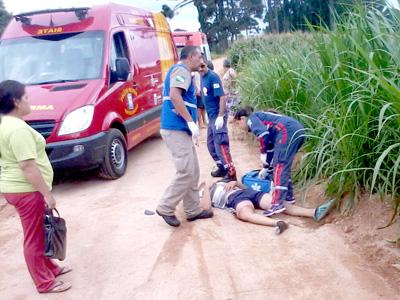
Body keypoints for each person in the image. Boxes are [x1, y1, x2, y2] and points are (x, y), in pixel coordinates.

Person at [0, 80, 72, 293]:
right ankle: (44, 282)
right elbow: (27, 165)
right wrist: (46, 193)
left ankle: (50, 267)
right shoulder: (17, 129)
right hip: (25, 190)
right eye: (26, 97)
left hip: (16, 188)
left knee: (39, 230)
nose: (30, 101)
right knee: (34, 236)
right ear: (16, 102)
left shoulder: (4, 124)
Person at [157, 46, 214, 227]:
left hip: (181, 130)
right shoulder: (181, 70)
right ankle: (165, 206)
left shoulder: (186, 72)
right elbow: (175, 95)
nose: (201, 61)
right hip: (176, 129)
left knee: (194, 170)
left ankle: (192, 209)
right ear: (191, 57)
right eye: (199, 57)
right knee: (186, 171)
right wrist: (190, 121)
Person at [234, 106, 306, 216]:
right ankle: (288, 197)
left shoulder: (252, 119)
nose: (240, 127)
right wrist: (266, 167)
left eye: (238, 123)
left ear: (243, 118)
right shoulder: (264, 121)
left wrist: (263, 152)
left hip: (287, 131)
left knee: (280, 166)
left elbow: (263, 136)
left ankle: (277, 204)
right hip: (297, 130)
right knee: (282, 165)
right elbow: (270, 149)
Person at [199, 180, 335, 235]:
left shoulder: (219, 183)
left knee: (279, 204)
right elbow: (206, 207)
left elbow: (245, 187)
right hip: (234, 200)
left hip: (247, 193)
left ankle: (314, 212)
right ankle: (278, 223)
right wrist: (205, 188)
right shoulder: (201, 195)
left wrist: (236, 182)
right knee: (246, 215)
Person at [199, 57, 236, 181]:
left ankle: (231, 173)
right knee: (210, 144)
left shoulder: (212, 76)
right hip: (211, 116)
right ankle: (222, 167)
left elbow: (222, 97)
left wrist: (220, 116)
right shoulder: (201, 77)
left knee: (220, 143)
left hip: (217, 115)